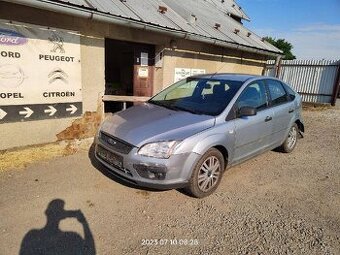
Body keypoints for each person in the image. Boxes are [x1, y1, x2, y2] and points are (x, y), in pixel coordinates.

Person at [19, 199, 96, 255]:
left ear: (46, 212)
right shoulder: (73, 236)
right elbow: (91, 250)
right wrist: (84, 224)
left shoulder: (31, 235)